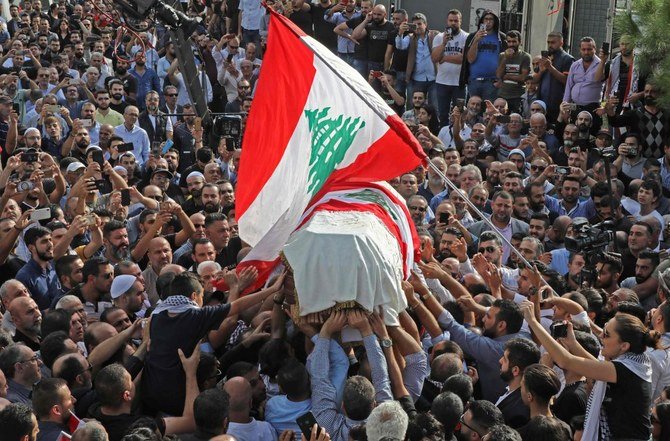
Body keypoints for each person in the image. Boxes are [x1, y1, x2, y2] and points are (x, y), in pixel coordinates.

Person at [521, 301, 659, 441]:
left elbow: (565, 361)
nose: (601, 337)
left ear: (624, 346)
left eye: (607, 335)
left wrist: (532, 321)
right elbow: (596, 365)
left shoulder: (626, 369)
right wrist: (573, 343)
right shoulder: (635, 362)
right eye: (603, 330)